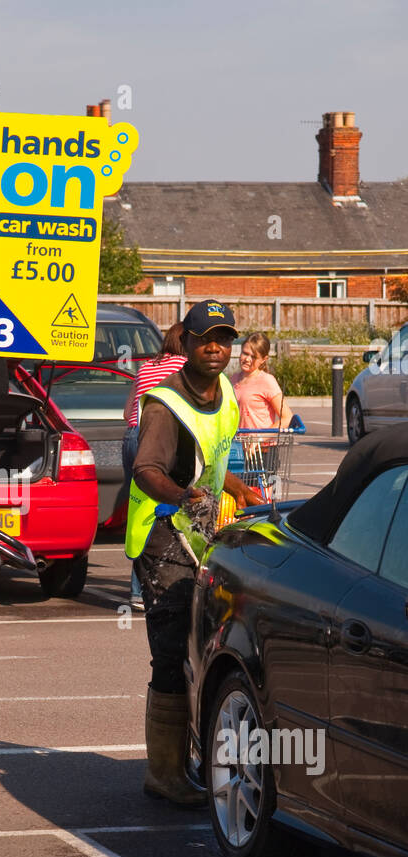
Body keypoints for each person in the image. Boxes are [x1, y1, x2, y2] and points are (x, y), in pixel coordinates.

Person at [125, 301, 260, 806]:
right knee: (170, 653)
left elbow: (213, 454)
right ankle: (163, 772)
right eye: (206, 338)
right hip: (161, 535)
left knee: (199, 645)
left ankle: (189, 759)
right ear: (186, 342)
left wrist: (238, 487)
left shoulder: (224, 391)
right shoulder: (165, 404)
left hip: (198, 530)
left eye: (224, 340)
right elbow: (145, 470)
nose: (216, 348)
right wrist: (183, 496)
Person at [122, 322, 187, 609]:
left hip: (133, 437)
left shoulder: (146, 366)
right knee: (169, 513)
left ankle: (136, 591)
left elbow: (127, 412)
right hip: (160, 441)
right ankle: (165, 587)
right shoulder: (185, 367)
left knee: (140, 514)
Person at [231, 331, 300, 431]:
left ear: (264, 359)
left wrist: (260, 439)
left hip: (261, 446)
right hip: (237, 444)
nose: (247, 359)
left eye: (253, 357)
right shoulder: (233, 379)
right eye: (245, 353)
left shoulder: (267, 381)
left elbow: (287, 417)